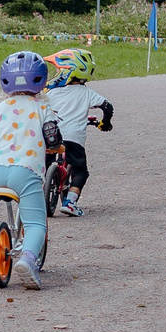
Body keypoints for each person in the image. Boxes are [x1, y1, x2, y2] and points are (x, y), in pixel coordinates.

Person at [0, 50, 63, 289]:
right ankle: (28, 259)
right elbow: (52, 138)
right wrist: (54, 146)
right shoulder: (43, 108)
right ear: (41, 80)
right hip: (26, 172)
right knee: (36, 223)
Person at [43, 48, 114, 217]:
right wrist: (105, 123)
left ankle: (37, 196)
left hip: (52, 136)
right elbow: (107, 107)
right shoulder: (87, 93)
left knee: (44, 165)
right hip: (74, 138)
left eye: (59, 70)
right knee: (80, 171)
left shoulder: (51, 91)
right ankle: (70, 202)